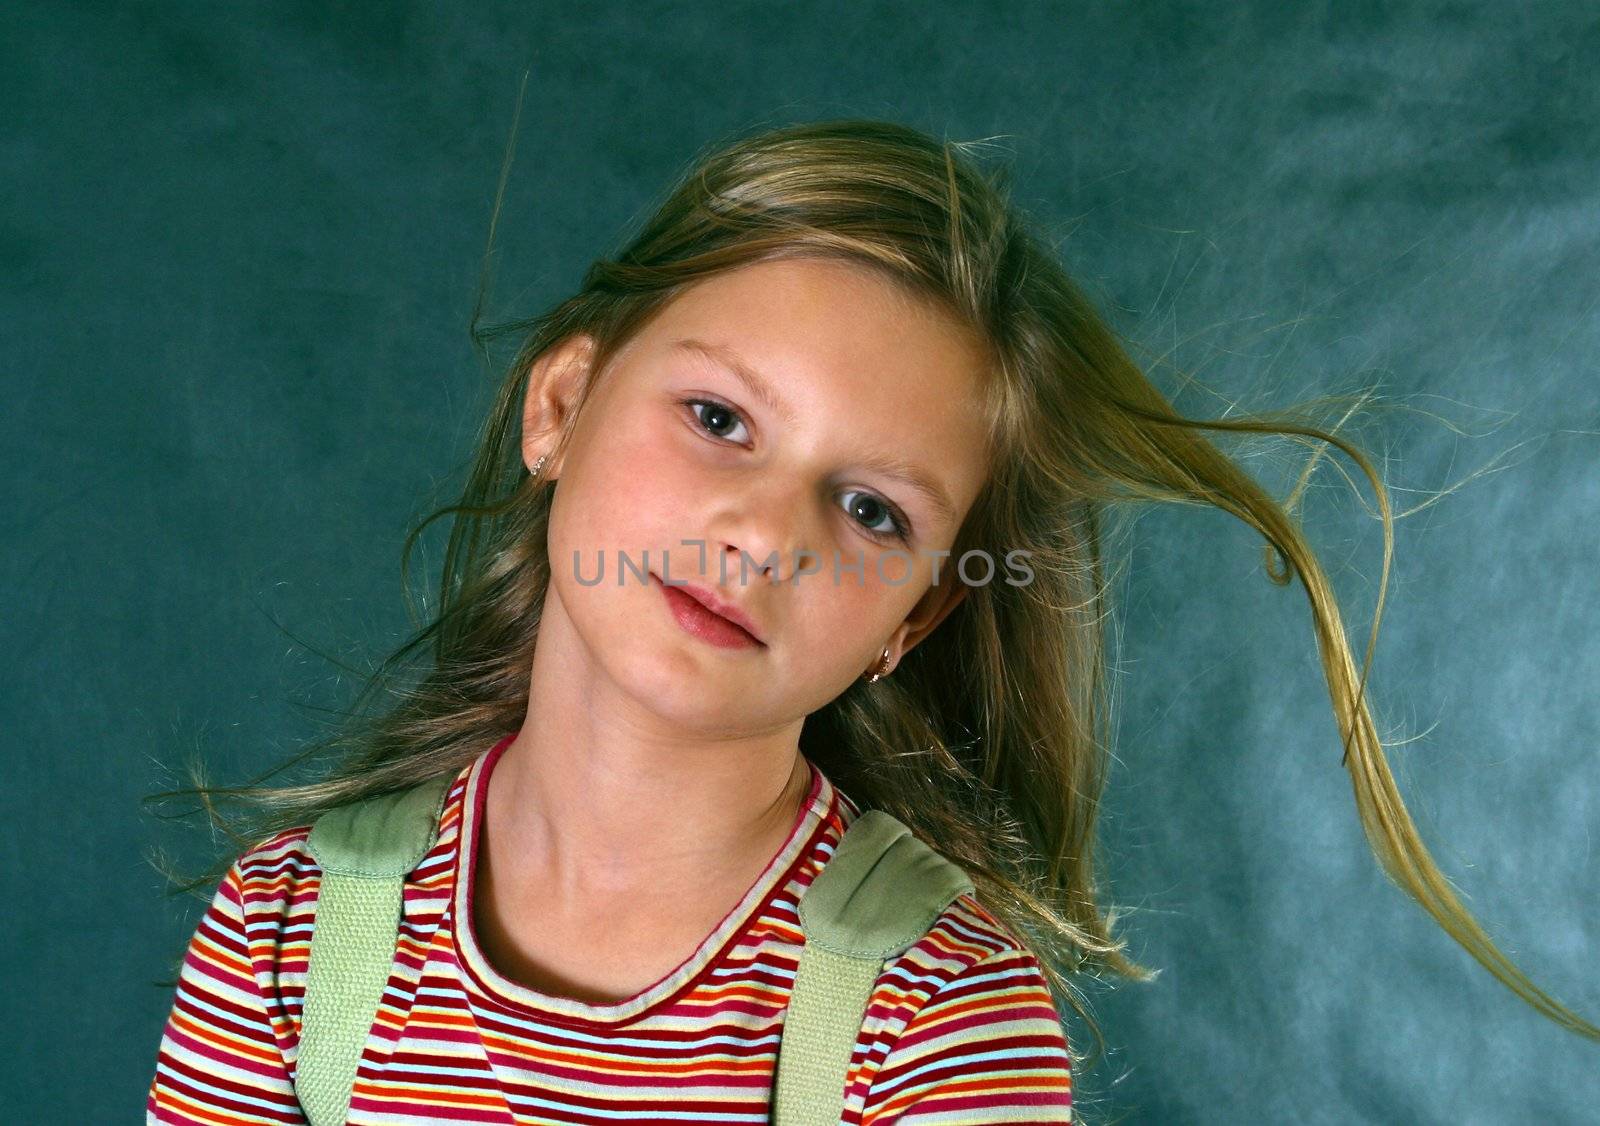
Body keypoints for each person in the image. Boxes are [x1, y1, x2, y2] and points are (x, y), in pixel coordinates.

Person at [143, 118, 1597, 1126]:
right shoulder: (289, 934)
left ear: (911, 621)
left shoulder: (936, 1018)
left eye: (874, 512)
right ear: (562, 406)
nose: (766, 531)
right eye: (718, 418)